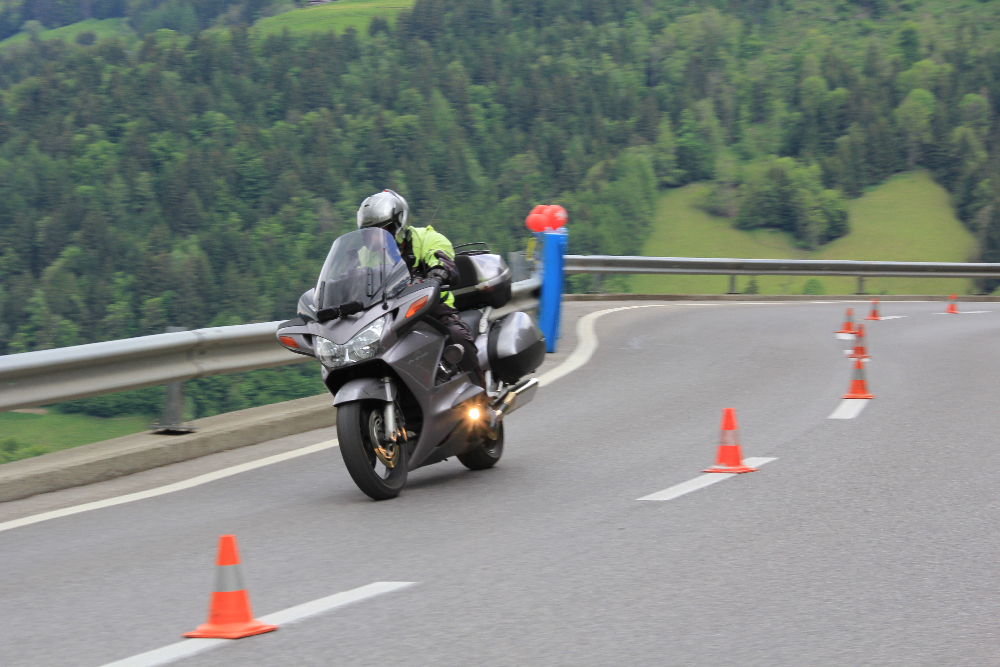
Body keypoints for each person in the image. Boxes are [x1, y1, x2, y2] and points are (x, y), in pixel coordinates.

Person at [356, 190, 489, 391]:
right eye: (370, 233)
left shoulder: (428, 238)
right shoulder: (366, 255)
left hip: (431, 309)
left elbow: (442, 258)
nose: (377, 237)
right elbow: (353, 277)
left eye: (383, 229)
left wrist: (439, 272)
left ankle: (481, 392)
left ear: (399, 224)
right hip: (388, 315)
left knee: (457, 336)